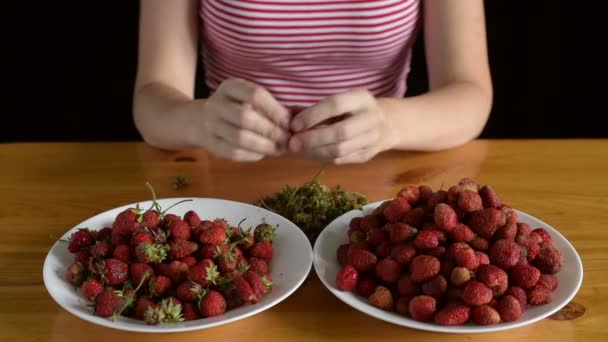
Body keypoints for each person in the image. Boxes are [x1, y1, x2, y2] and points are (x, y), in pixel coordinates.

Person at [133, 0, 492, 164]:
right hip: (233, 175)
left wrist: (390, 125)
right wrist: (200, 121)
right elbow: (152, 100)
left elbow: (470, 93)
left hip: (381, 174)